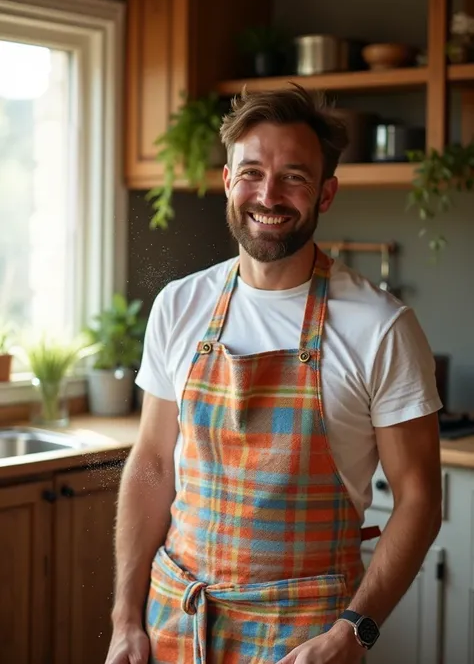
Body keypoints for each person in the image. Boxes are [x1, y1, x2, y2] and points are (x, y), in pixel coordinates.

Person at [105, 84, 443, 664]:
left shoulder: (381, 328)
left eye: (294, 176)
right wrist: (124, 617)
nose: (269, 194)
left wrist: (351, 634)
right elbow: (153, 462)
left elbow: (419, 500)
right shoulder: (179, 304)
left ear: (326, 192)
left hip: (306, 642)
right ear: (228, 181)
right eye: (252, 171)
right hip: (175, 620)